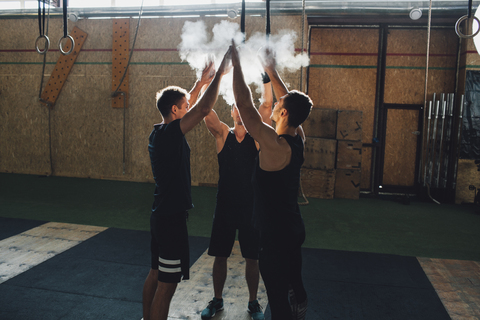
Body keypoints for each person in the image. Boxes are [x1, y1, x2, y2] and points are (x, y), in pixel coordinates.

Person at [142, 47, 232, 320]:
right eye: (184, 107)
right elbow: (203, 107)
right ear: (175, 110)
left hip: (160, 215)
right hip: (171, 219)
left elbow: (191, 102)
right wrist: (220, 76)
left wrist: (201, 81)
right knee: (167, 286)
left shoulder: (160, 131)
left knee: (156, 274)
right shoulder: (171, 134)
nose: (188, 108)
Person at [230, 41, 312, 320]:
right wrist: (271, 71)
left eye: (278, 105)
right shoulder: (298, 139)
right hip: (292, 228)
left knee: (277, 299)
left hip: (275, 235)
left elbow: (243, 105)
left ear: (284, 114)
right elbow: (293, 102)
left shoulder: (275, 145)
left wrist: (236, 61)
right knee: (293, 288)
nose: (275, 104)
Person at [200, 75, 273, 320]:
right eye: (236, 108)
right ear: (231, 112)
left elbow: (266, 107)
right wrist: (213, 79)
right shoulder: (222, 134)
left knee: (252, 257)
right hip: (225, 206)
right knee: (220, 255)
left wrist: (265, 81)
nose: (240, 113)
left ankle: (253, 302)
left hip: (251, 207)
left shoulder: (257, 138)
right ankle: (217, 299)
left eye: (244, 109)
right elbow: (204, 108)